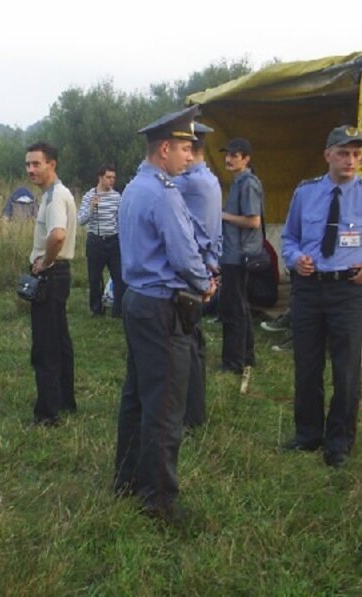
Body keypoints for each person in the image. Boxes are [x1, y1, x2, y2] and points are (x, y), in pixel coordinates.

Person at [281, 124, 362, 467]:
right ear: (328, 155)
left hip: (348, 289)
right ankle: (308, 435)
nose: (350, 160)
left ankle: (339, 443)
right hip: (309, 288)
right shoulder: (305, 192)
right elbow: (289, 238)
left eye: (356, 154)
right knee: (307, 364)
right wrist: (295, 258)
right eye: (343, 153)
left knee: (346, 369)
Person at [115, 105, 216, 522]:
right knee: (166, 404)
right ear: (163, 149)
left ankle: (126, 480)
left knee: (137, 396)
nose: (190, 156)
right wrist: (205, 282)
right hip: (161, 306)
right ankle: (157, 498)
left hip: (137, 300)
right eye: (184, 148)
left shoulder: (134, 187)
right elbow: (184, 254)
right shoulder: (163, 193)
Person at [173, 122, 222, 429]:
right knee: (194, 340)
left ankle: (190, 414)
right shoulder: (210, 179)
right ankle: (195, 411)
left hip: (191, 270)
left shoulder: (186, 183)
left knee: (185, 344)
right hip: (204, 264)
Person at [25, 141, 77, 427]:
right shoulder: (54, 194)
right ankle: (65, 400)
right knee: (60, 340)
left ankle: (47, 413)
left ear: (52, 165)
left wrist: (45, 262)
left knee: (46, 346)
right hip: (59, 273)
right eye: (28, 164)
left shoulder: (56, 196)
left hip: (52, 274)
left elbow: (57, 235)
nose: (30, 170)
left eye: (36, 164)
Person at [218, 137, 264, 375]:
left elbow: (253, 220)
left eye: (235, 155)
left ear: (246, 159)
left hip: (238, 255)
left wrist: (223, 216)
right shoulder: (238, 182)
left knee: (233, 309)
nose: (229, 159)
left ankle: (233, 362)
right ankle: (246, 357)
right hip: (232, 254)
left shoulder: (248, 183)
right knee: (240, 307)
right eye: (227, 154)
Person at [77, 164, 126, 317]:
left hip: (113, 240)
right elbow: (81, 220)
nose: (111, 180)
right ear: (100, 177)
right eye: (108, 177)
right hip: (95, 241)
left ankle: (119, 310)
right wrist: (91, 208)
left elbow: (120, 219)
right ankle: (97, 310)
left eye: (113, 178)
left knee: (119, 277)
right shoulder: (89, 196)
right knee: (94, 278)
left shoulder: (117, 197)